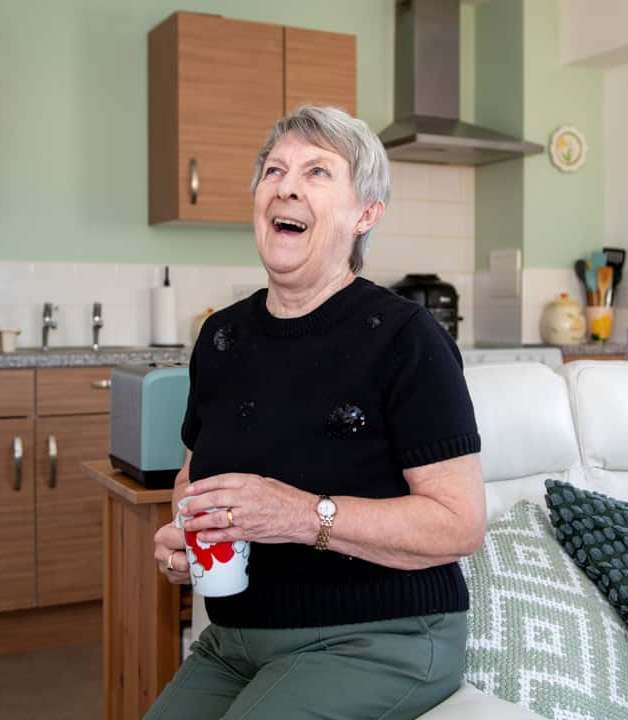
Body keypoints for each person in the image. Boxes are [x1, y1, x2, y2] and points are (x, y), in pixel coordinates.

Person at [147, 105, 486, 720]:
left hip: (384, 636)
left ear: (366, 214)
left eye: (318, 172)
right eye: (274, 169)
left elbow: (459, 524)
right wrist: (187, 534)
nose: (287, 184)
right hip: (234, 641)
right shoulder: (220, 337)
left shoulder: (406, 338)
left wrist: (301, 515)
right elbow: (192, 479)